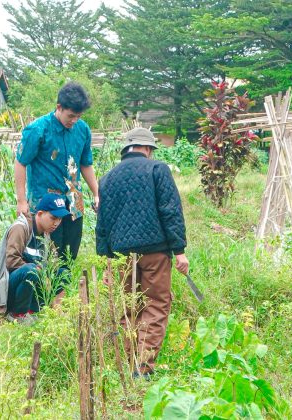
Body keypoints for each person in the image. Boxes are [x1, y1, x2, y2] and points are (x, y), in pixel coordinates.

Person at [95, 127, 189, 378]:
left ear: (126, 149)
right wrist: (179, 251)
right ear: (147, 149)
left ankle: (128, 361)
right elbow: (171, 211)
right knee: (156, 305)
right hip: (155, 253)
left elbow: (102, 225)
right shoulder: (157, 170)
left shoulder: (107, 179)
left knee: (128, 308)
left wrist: (107, 263)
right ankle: (143, 367)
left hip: (121, 256)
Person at [14, 82, 99, 265]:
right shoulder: (38, 129)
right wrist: (21, 201)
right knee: (48, 253)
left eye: (78, 116)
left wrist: (97, 192)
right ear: (59, 107)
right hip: (46, 199)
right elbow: (20, 163)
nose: (74, 120)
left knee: (70, 252)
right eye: (71, 116)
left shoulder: (83, 129)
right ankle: (48, 291)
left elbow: (86, 164)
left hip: (74, 198)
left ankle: (65, 290)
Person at [0, 193, 71, 324]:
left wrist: (50, 273)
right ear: (40, 214)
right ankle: (18, 314)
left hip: (30, 284)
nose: (56, 223)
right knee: (32, 270)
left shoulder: (46, 235)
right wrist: (41, 270)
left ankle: (42, 310)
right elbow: (11, 261)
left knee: (63, 273)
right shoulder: (21, 228)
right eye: (53, 218)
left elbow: (54, 265)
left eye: (59, 219)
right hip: (6, 288)